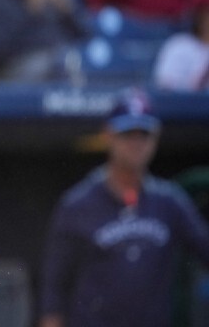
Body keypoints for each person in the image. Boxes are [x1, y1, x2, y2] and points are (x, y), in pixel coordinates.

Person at [38, 90, 209, 327]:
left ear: (156, 138)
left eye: (144, 134)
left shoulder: (169, 202)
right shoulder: (78, 204)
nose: (136, 142)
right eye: (127, 133)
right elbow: (54, 287)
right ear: (109, 135)